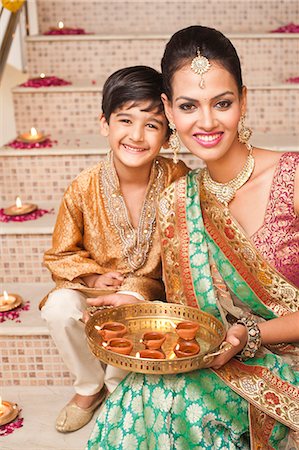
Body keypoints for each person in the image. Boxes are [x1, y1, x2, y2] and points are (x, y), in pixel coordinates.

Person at [87, 26, 299, 449]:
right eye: (188, 106)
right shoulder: (178, 200)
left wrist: (250, 335)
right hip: (225, 356)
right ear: (168, 109)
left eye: (222, 103)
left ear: (244, 98)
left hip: (286, 358)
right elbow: (192, 316)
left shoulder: (293, 179)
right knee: (142, 394)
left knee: (175, 400)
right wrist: (136, 302)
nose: (206, 122)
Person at [41, 65, 189, 433]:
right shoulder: (83, 187)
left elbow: (186, 250)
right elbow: (59, 254)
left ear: (168, 135)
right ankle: (89, 388)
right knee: (59, 308)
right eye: (125, 120)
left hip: (151, 295)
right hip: (96, 291)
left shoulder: (178, 177)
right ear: (105, 123)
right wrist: (92, 275)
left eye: (152, 125)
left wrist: (133, 291)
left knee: (133, 313)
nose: (136, 135)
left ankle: (120, 388)